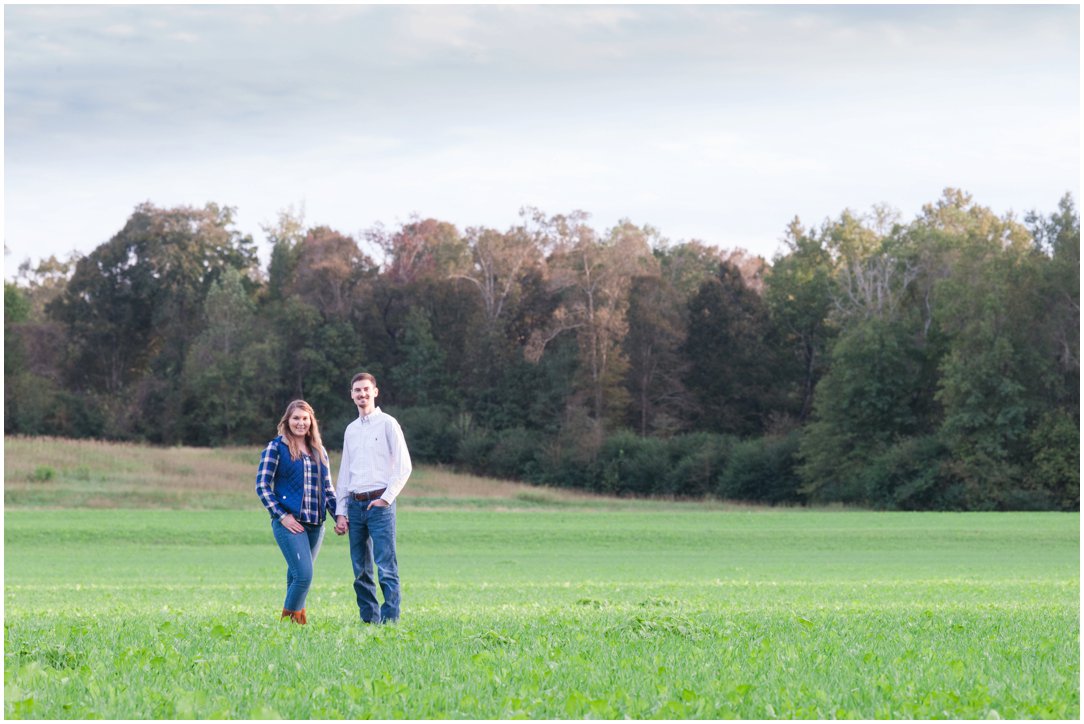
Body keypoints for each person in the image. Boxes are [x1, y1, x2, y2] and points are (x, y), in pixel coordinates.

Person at [333, 372, 412, 624]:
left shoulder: (388, 423)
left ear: (375, 392)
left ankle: (390, 623)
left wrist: (386, 499)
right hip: (355, 505)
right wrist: (341, 511)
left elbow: (404, 466)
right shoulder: (351, 430)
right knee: (360, 570)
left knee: (386, 567)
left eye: (366, 389)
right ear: (352, 395)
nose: (362, 394)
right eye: (357, 390)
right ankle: (369, 621)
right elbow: (345, 471)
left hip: (380, 504)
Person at [255, 399, 336, 625]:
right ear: (287, 421)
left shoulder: (319, 451)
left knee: (295, 574)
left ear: (311, 422)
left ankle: (297, 623)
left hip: (316, 525)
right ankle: (290, 624)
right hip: (290, 524)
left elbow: (328, 489)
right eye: (296, 418)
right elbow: (262, 486)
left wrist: (339, 516)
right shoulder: (276, 448)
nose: (300, 423)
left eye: (305, 418)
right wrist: (282, 516)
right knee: (304, 576)